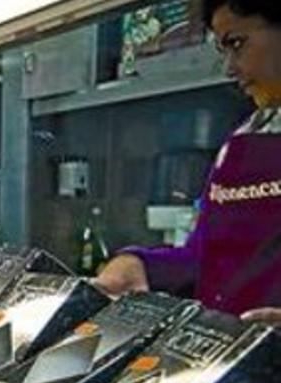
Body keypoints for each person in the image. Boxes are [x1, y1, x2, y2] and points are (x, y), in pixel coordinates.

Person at [96, 0, 281, 326]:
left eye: (236, 43)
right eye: (222, 49)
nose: (229, 68)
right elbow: (204, 256)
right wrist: (140, 265)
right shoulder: (246, 139)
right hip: (225, 361)